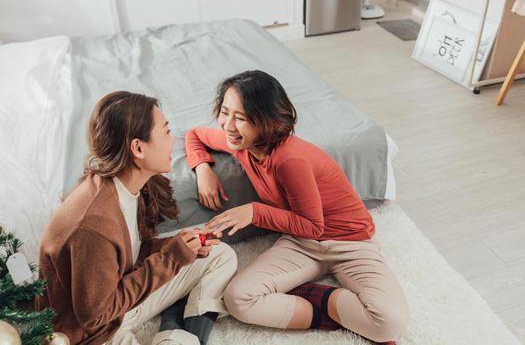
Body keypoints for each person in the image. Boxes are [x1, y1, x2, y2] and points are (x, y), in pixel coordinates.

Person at [185, 70, 409, 344]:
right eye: (224, 112)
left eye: (240, 118)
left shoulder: (291, 160)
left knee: (390, 324)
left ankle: (313, 297)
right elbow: (195, 135)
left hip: (349, 243)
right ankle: (325, 305)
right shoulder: (241, 144)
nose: (227, 125)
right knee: (237, 299)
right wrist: (202, 169)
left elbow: (315, 226)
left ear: (266, 121)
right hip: (300, 242)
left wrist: (255, 212)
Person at [36, 91, 237, 345]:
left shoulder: (125, 186)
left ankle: (177, 329)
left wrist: (182, 246)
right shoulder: (94, 225)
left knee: (222, 256)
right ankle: (178, 334)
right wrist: (171, 259)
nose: (171, 141)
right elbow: (95, 316)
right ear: (138, 148)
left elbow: (126, 256)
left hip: (119, 300)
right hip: (94, 334)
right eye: (165, 132)